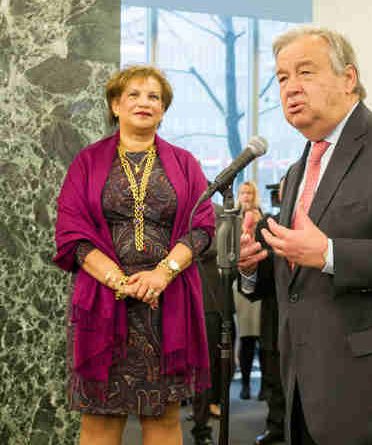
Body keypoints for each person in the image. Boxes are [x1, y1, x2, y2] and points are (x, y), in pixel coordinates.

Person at [237, 26, 372, 444]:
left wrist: (331, 254)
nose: (291, 88)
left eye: (306, 72)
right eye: (282, 78)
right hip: (307, 389)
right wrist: (255, 268)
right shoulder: (298, 169)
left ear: (348, 78)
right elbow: (298, 279)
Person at [53, 65, 214, 445]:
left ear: (163, 109)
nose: (145, 102)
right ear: (115, 105)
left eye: (154, 96)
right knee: (100, 421)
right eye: (135, 95)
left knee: (162, 418)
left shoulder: (186, 163)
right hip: (103, 305)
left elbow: (201, 227)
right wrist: (119, 281)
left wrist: (162, 274)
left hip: (167, 304)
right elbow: (71, 232)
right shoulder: (87, 162)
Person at [250, 179, 287, 445]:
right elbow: (255, 284)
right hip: (274, 312)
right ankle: (275, 426)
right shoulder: (266, 225)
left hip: (312, 317)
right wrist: (248, 265)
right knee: (274, 377)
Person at [191, 203, 224, 445]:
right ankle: (200, 424)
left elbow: (214, 248)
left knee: (209, 366)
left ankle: (202, 429)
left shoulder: (218, 212)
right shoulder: (178, 211)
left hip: (210, 301)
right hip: (181, 300)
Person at [234, 181, 265, 400]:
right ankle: (245, 384)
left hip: (262, 278)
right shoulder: (231, 216)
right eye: (243, 192)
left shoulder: (262, 218)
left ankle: (263, 385)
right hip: (240, 279)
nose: (245, 196)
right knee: (246, 336)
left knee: (263, 336)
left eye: (249, 192)